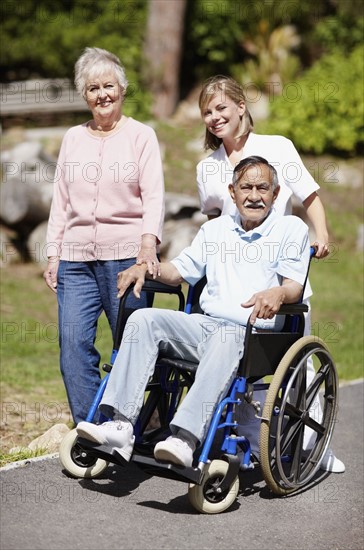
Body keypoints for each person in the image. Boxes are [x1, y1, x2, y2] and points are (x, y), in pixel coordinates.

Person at [76, 156, 311, 468]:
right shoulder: (214, 230)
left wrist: (278, 292)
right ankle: (119, 426)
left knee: (228, 335)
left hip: (255, 335)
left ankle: (184, 439)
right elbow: (179, 272)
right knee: (144, 318)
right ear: (232, 191)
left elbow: (294, 287)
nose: (254, 195)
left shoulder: (290, 228)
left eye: (262, 188)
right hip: (206, 326)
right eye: (246, 187)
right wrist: (146, 269)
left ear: (275, 194)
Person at [196, 75, 344, 473]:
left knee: (297, 367)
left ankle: (314, 449)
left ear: (241, 107)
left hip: (281, 274)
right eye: (207, 112)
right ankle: (240, 435)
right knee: (236, 363)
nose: (214, 117)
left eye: (221, 108)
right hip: (232, 283)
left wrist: (322, 234)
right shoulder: (207, 169)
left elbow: (308, 196)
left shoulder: (276, 148)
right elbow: (212, 223)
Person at [43, 47, 165, 424]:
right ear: (84, 95)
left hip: (126, 259)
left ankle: (133, 422)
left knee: (132, 346)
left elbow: (154, 195)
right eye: (93, 88)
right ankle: (91, 427)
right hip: (75, 263)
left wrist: (147, 248)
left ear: (123, 88)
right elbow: (60, 200)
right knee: (73, 347)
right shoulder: (72, 138)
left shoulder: (142, 136)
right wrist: (53, 254)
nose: (102, 94)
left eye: (108, 85)